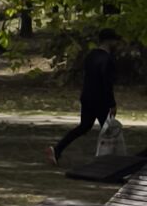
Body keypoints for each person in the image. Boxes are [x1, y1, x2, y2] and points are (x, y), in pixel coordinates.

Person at [49, 32, 123, 164]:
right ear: (109, 41)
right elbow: (107, 83)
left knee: (84, 126)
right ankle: (111, 160)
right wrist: (112, 103)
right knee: (109, 130)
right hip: (100, 100)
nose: (117, 44)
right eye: (115, 41)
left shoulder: (90, 56)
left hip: (87, 97)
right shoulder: (107, 59)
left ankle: (57, 149)